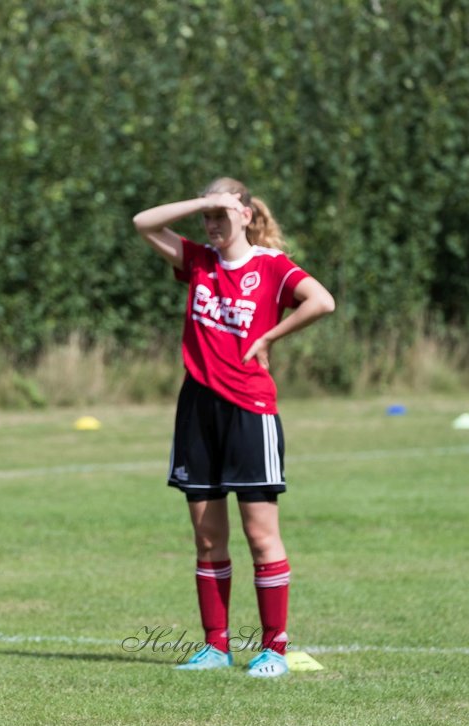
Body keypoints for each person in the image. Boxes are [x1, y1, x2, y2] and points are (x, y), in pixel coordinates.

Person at [132, 177, 335, 678]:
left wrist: (270, 335)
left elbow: (321, 301)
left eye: (223, 214)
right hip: (197, 411)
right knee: (207, 539)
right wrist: (205, 201)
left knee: (261, 535)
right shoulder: (199, 261)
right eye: (207, 216)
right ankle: (216, 647)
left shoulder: (270, 266)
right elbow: (142, 223)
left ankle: (274, 650)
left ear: (246, 215)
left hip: (250, 408)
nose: (213, 225)